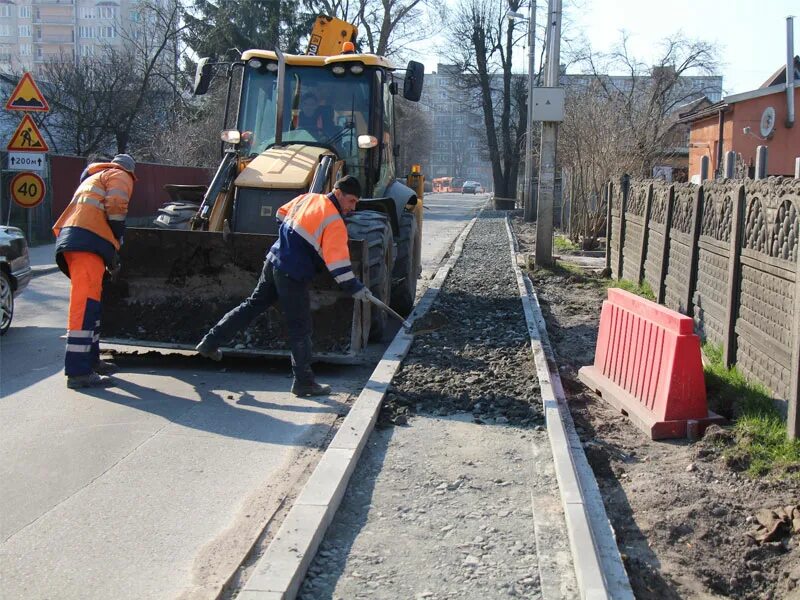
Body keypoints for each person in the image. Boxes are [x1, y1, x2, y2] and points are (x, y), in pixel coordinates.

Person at [195, 175, 369, 397]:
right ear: (337, 193)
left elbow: (280, 214)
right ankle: (304, 382)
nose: (352, 208)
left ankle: (210, 341)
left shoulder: (308, 198)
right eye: (351, 201)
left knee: (252, 305)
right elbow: (339, 266)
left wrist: (294, 241)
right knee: (301, 327)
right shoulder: (334, 221)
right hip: (292, 273)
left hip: (274, 260)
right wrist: (355, 287)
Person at [52, 154, 136, 389]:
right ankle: (78, 372)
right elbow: (117, 204)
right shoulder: (119, 174)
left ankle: (92, 361)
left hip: (79, 240)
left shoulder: (96, 176)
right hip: (87, 243)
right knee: (85, 305)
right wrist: (119, 232)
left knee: (93, 304)